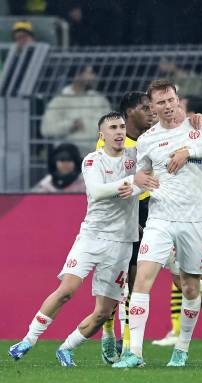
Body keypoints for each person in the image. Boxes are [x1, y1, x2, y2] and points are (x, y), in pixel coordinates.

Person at [112, 79, 202, 368]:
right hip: (160, 218)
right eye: (161, 103)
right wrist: (131, 186)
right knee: (143, 281)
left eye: (171, 100)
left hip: (195, 220)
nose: (168, 106)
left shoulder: (201, 128)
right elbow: (143, 177)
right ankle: (134, 352)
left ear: (178, 99)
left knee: (191, 287)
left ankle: (181, 349)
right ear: (154, 107)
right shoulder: (147, 139)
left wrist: (189, 151)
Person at [8, 112, 143, 366]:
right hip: (92, 237)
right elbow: (97, 191)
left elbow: (149, 177)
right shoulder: (93, 160)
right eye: (112, 127)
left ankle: (67, 348)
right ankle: (28, 340)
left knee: (104, 311)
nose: (119, 132)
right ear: (101, 134)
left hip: (122, 242)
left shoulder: (135, 158)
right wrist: (132, 182)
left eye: (122, 127)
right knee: (66, 290)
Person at [153, 96, 202, 352]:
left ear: (193, 113)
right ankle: (178, 329)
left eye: (179, 106)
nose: (173, 110)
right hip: (180, 215)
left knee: (199, 275)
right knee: (180, 274)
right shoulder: (176, 136)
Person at [96, 91, 153, 363]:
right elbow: (109, 187)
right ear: (130, 112)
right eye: (145, 108)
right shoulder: (109, 143)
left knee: (132, 282)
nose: (151, 112)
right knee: (115, 283)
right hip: (118, 213)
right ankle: (108, 331)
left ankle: (129, 345)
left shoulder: (150, 138)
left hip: (144, 209)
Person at [40, 65, 112, 154]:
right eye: (88, 73)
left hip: (97, 153)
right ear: (76, 76)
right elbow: (46, 129)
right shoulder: (60, 101)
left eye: (93, 73)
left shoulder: (100, 99)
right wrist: (71, 125)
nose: (93, 77)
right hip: (70, 155)